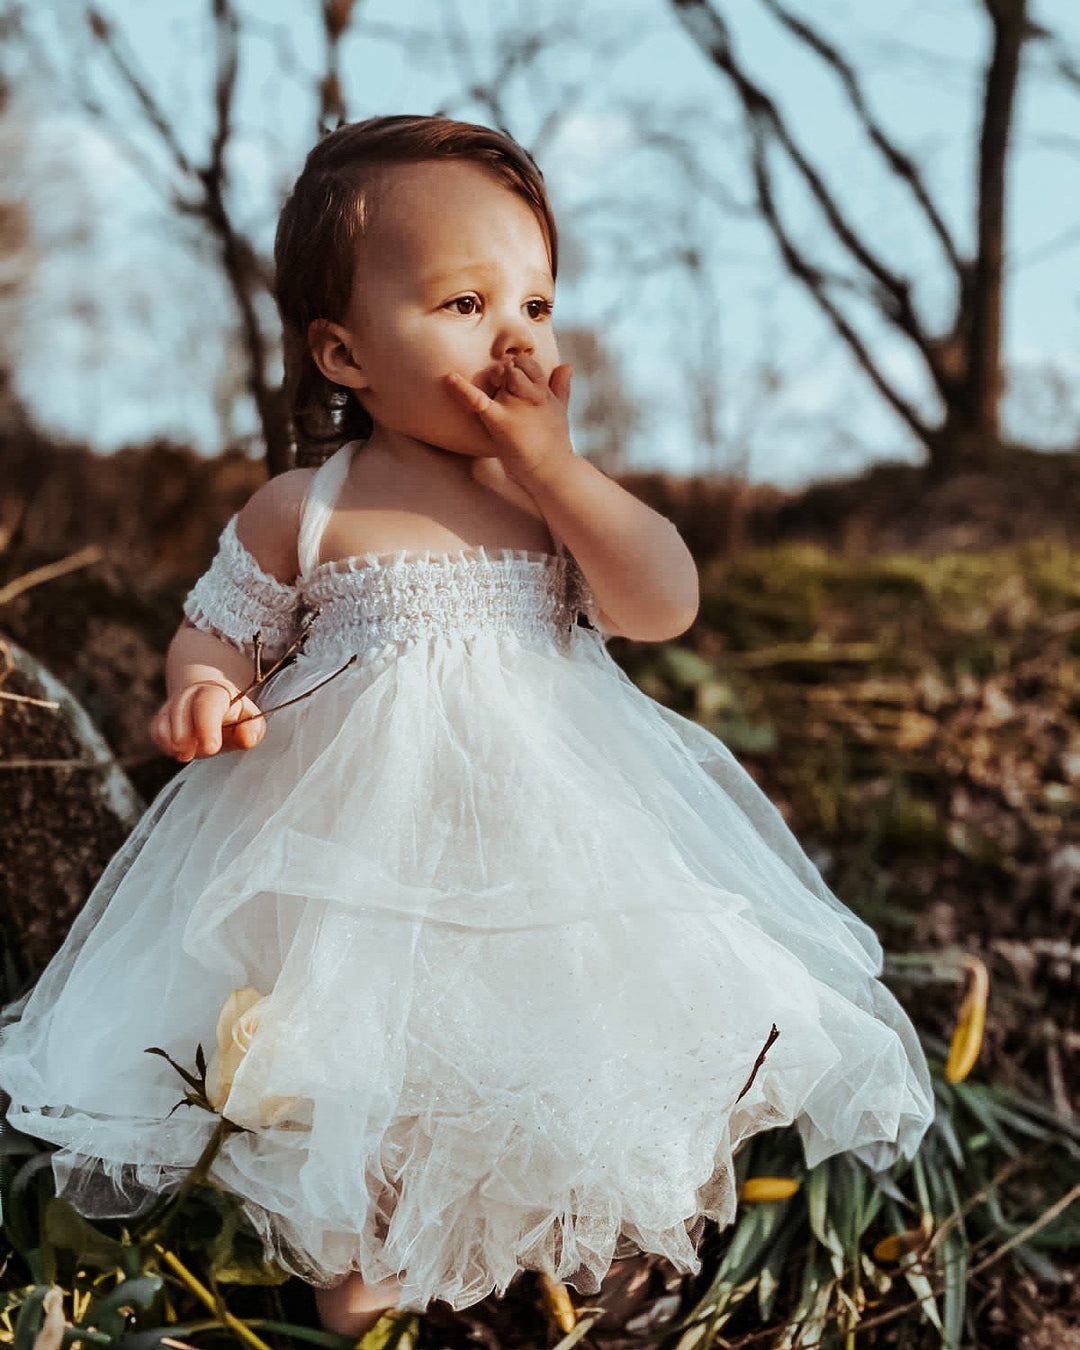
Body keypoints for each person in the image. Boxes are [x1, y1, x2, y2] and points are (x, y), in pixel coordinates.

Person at [0, 114, 935, 1337]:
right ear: (344, 353)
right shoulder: (308, 507)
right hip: (352, 840)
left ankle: (575, 1234)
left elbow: (663, 599)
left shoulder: (549, 505)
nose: (516, 337)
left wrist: (556, 470)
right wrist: (205, 687)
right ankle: (364, 1249)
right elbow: (220, 625)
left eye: (537, 305)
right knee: (362, 1042)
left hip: (547, 829)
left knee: (563, 1020)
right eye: (462, 304)